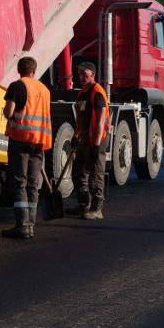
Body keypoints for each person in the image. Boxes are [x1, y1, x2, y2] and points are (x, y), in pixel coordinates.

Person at [1, 56, 52, 239]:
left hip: (21, 140)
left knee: (19, 182)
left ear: (19, 70)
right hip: (39, 142)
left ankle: (22, 226)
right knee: (32, 184)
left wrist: (4, 112)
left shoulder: (17, 86)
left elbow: (9, 112)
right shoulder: (44, 90)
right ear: (34, 71)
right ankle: (31, 224)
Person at [72, 62, 110, 220]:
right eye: (80, 74)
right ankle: (83, 205)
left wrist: (95, 145)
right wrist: (76, 135)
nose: (81, 77)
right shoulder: (82, 93)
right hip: (85, 138)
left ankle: (97, 209)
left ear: (92, 75)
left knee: (96, 174)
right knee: (78, 171)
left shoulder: (97, 92)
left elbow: (101, 120)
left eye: (85, 75)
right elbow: (81, 119)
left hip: (97, 139)